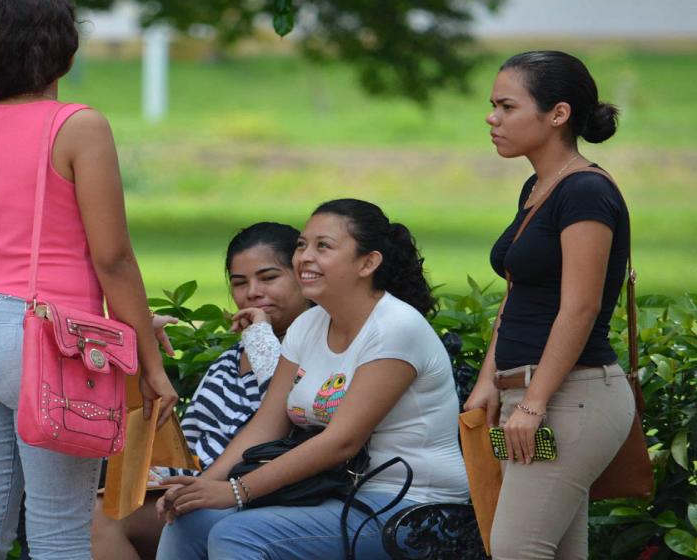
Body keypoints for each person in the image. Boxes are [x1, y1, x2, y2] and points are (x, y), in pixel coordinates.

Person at [0, 0, 178, 559]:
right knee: (59, 532)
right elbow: (111, 258)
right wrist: (150, 365)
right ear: (64, 50)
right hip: (48, 341)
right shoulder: (79, 125)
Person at [155, 199, 469, 559]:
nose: (304, 257)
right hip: (335, 494)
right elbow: (267, 425)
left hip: (413, 508)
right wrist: (204, 485)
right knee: (192, 520)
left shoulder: (395, 328)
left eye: (324, 246)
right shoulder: (309, 325)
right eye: (302, 245)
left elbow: (341, 442)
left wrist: (237, 491)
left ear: (368, 262)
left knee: (239, 534)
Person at [463, 51, 634, 559]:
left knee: (516, 549)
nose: (492, 119)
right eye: (493, 106)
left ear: (557, 114)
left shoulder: (585, 192)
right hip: (533, 394)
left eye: (507, 107)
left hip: (569, 397)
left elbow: (579, 308)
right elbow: (520, 292)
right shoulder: (538, 187)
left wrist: (534, 402)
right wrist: (488, 380)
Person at [91, 222, 311, 560]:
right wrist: (161, 478)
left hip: (254, 494)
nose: (252, 292)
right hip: (192, 488)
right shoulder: (229, 359)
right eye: (239, 283)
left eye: (268, 278)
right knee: (96, 509)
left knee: (101, 520)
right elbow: (193, 438)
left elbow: (292, 410)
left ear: (302, 278)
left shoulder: (317, 347)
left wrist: (261, 338)